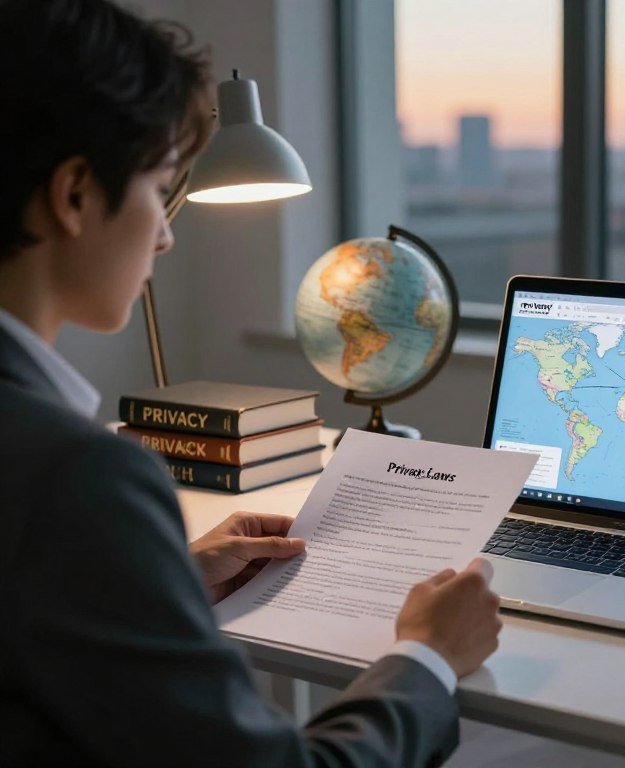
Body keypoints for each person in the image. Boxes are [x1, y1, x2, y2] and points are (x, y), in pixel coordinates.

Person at [0, 1, 502, 766]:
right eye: (160, 187)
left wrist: (159, 582)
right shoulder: (78, 478)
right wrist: (428, 656)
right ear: (74, 195)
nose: (167, 233)